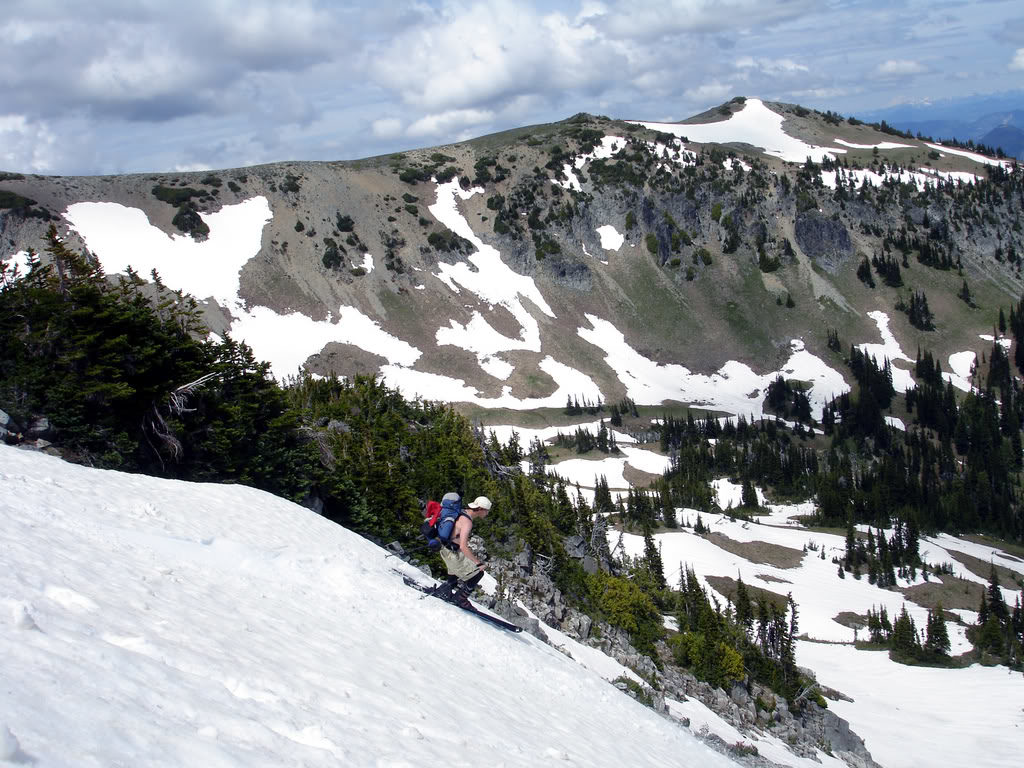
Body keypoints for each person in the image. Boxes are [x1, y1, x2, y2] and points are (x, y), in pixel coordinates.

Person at [435, 494, 492, 607]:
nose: (487, 514)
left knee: (457, 570)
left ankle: (445, 590)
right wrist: (478, 563)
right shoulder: (467, 522)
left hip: (445, 549)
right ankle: (461, 598)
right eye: (486, 511)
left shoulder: (462, 512)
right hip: (453, 553)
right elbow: (463, 546)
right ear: (480, 509)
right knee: (478, 573)